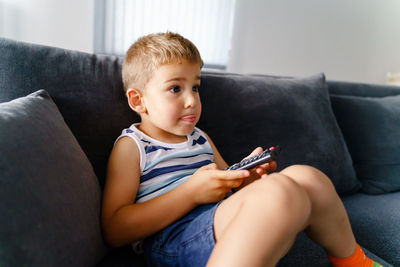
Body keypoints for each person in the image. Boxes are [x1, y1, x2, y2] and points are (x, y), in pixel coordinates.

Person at [101, 32, 382, 267]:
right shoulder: (133, 146)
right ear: (139, 101)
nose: (191, 100)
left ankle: (355, 263)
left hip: (218, 221)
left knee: (307, 177)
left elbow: (227, 188)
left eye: (196, 87)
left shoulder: (200, 138)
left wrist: (243, 180)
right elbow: (115, 229)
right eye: (176, 89)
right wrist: (189, 193)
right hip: (171, 239)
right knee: (279, 191)